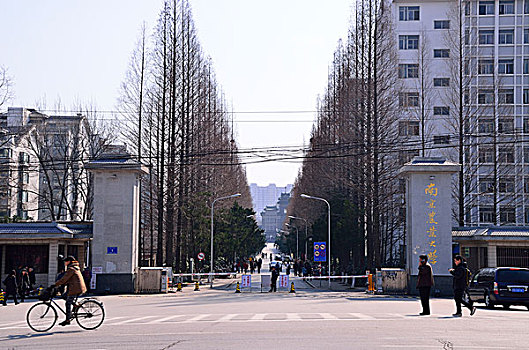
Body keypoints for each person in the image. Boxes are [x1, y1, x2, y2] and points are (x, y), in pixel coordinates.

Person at [54, 256, 87, 326]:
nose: (65, 263)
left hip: (75, 288)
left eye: (66, 261)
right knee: (64, 296)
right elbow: (68, 279)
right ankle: (76, 305)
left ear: (69, 261)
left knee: (68, 303)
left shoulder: (71, 269)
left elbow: (64, 279)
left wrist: (54, 285)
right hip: (75, 287)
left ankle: (67, 319)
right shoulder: (74, 267)